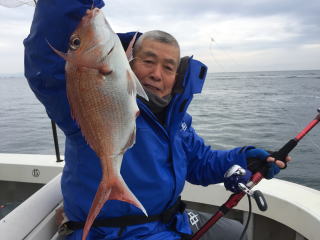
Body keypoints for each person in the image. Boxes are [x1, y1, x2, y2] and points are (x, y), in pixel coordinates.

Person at [24, 1, 290, 239]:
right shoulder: (88, 96)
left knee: (235, 232)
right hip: (112, 233)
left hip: (171, 223)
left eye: (168, 67)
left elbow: (200, 163)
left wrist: (245, 158)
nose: (156, 74)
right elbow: (45, 64)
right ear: (127, 60)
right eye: (148, 61)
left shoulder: (176, 119)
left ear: (177, 76)